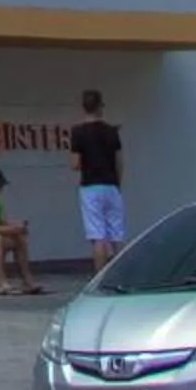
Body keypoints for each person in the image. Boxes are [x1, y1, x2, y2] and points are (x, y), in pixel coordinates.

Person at [71, 88, 125, 271]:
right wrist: (118, 183)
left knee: (97, 235)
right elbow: (119, 162)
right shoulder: (112, 131)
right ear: (100, 106)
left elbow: (75, 164)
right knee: (115, 234)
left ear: (84, 107)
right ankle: (116, 273)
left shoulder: (77, 132)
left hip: (90, 186)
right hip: (111, 185)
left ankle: (99, 276)